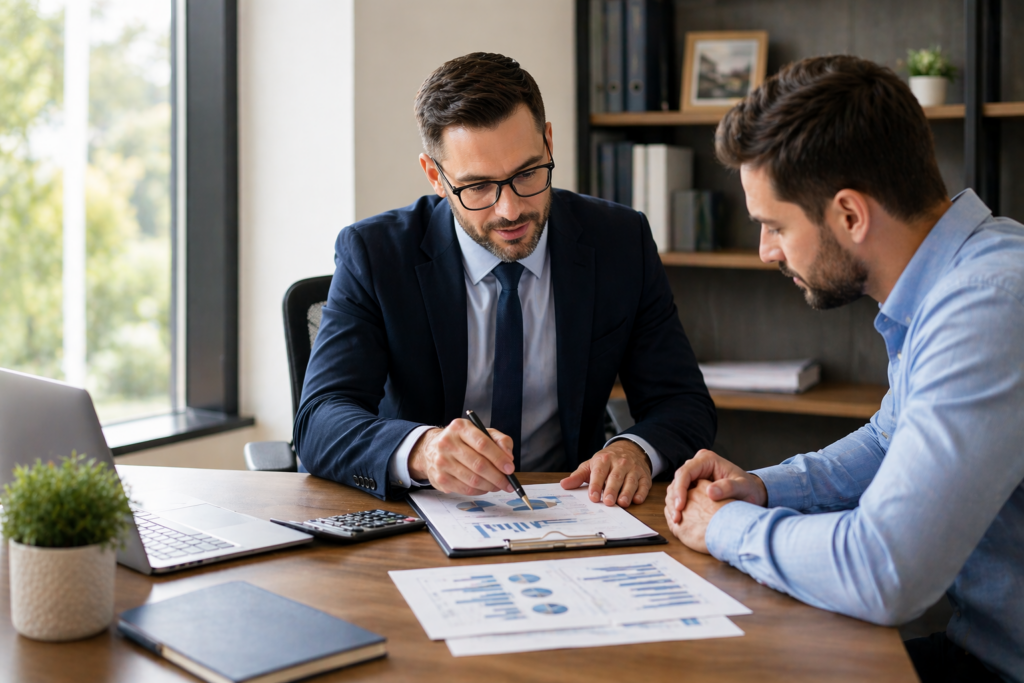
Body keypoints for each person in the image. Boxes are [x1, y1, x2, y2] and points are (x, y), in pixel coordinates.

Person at [664, 55, 1024, 683]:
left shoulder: (987, 306)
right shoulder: (954, 278)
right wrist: (762, 488)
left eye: (775, 226)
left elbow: (884, 572)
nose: (765, 251)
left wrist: (726, 526)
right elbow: (891, 439)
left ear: (850, 215)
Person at [295, 53, 716, 508]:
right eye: (478, 187)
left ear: (549, 143)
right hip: (426, 515)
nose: (510, 210)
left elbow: (683, 403)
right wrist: (423, 451)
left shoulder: (619, 241)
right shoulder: (375, 254)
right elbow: (319, 421)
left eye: (528, 174)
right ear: (436, 176)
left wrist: (636, 449)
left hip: (577, 508)